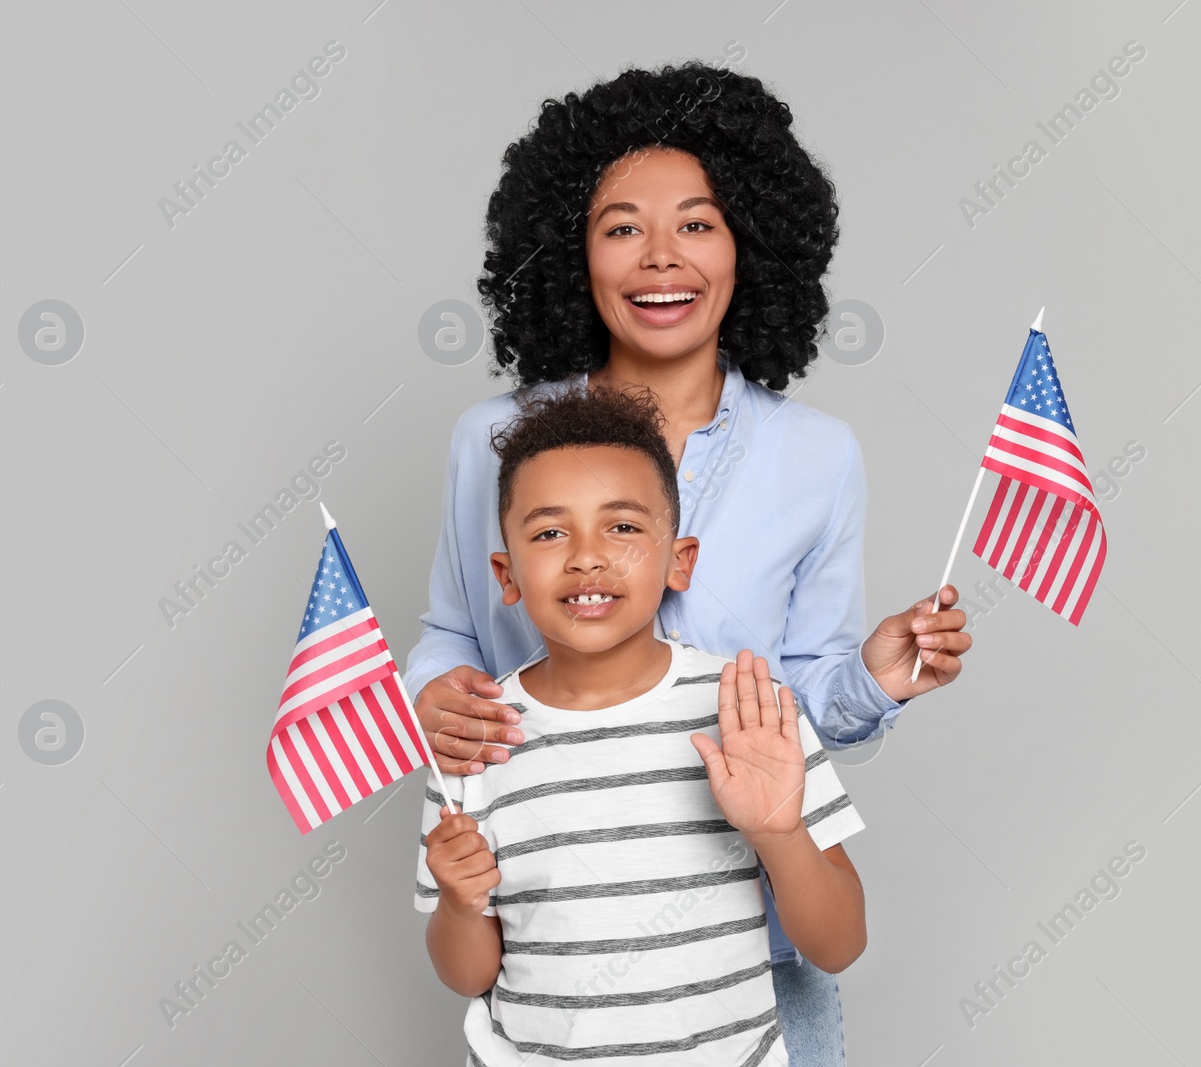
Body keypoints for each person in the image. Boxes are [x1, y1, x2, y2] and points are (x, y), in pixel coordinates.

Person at [404, 61, 971, 1063]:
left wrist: (874, 681)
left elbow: (798, 697)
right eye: (621, 226)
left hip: (749, 947)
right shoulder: (492, 442)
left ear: (751, 244)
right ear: (570, 252)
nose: (659, 258)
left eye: (697, 223)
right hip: (555, 941)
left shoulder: (819, 456)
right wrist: (433, 696)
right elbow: (452, 630)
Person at [415, 385, 865, 1065]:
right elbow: (467, 973)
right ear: (506, 574)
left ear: (679, 559)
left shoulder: (748, 709)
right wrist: (457, 901)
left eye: (622, 526)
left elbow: (840, 943)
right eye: (549, 531)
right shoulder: (476, 735)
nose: (587, 556)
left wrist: (780, 833)